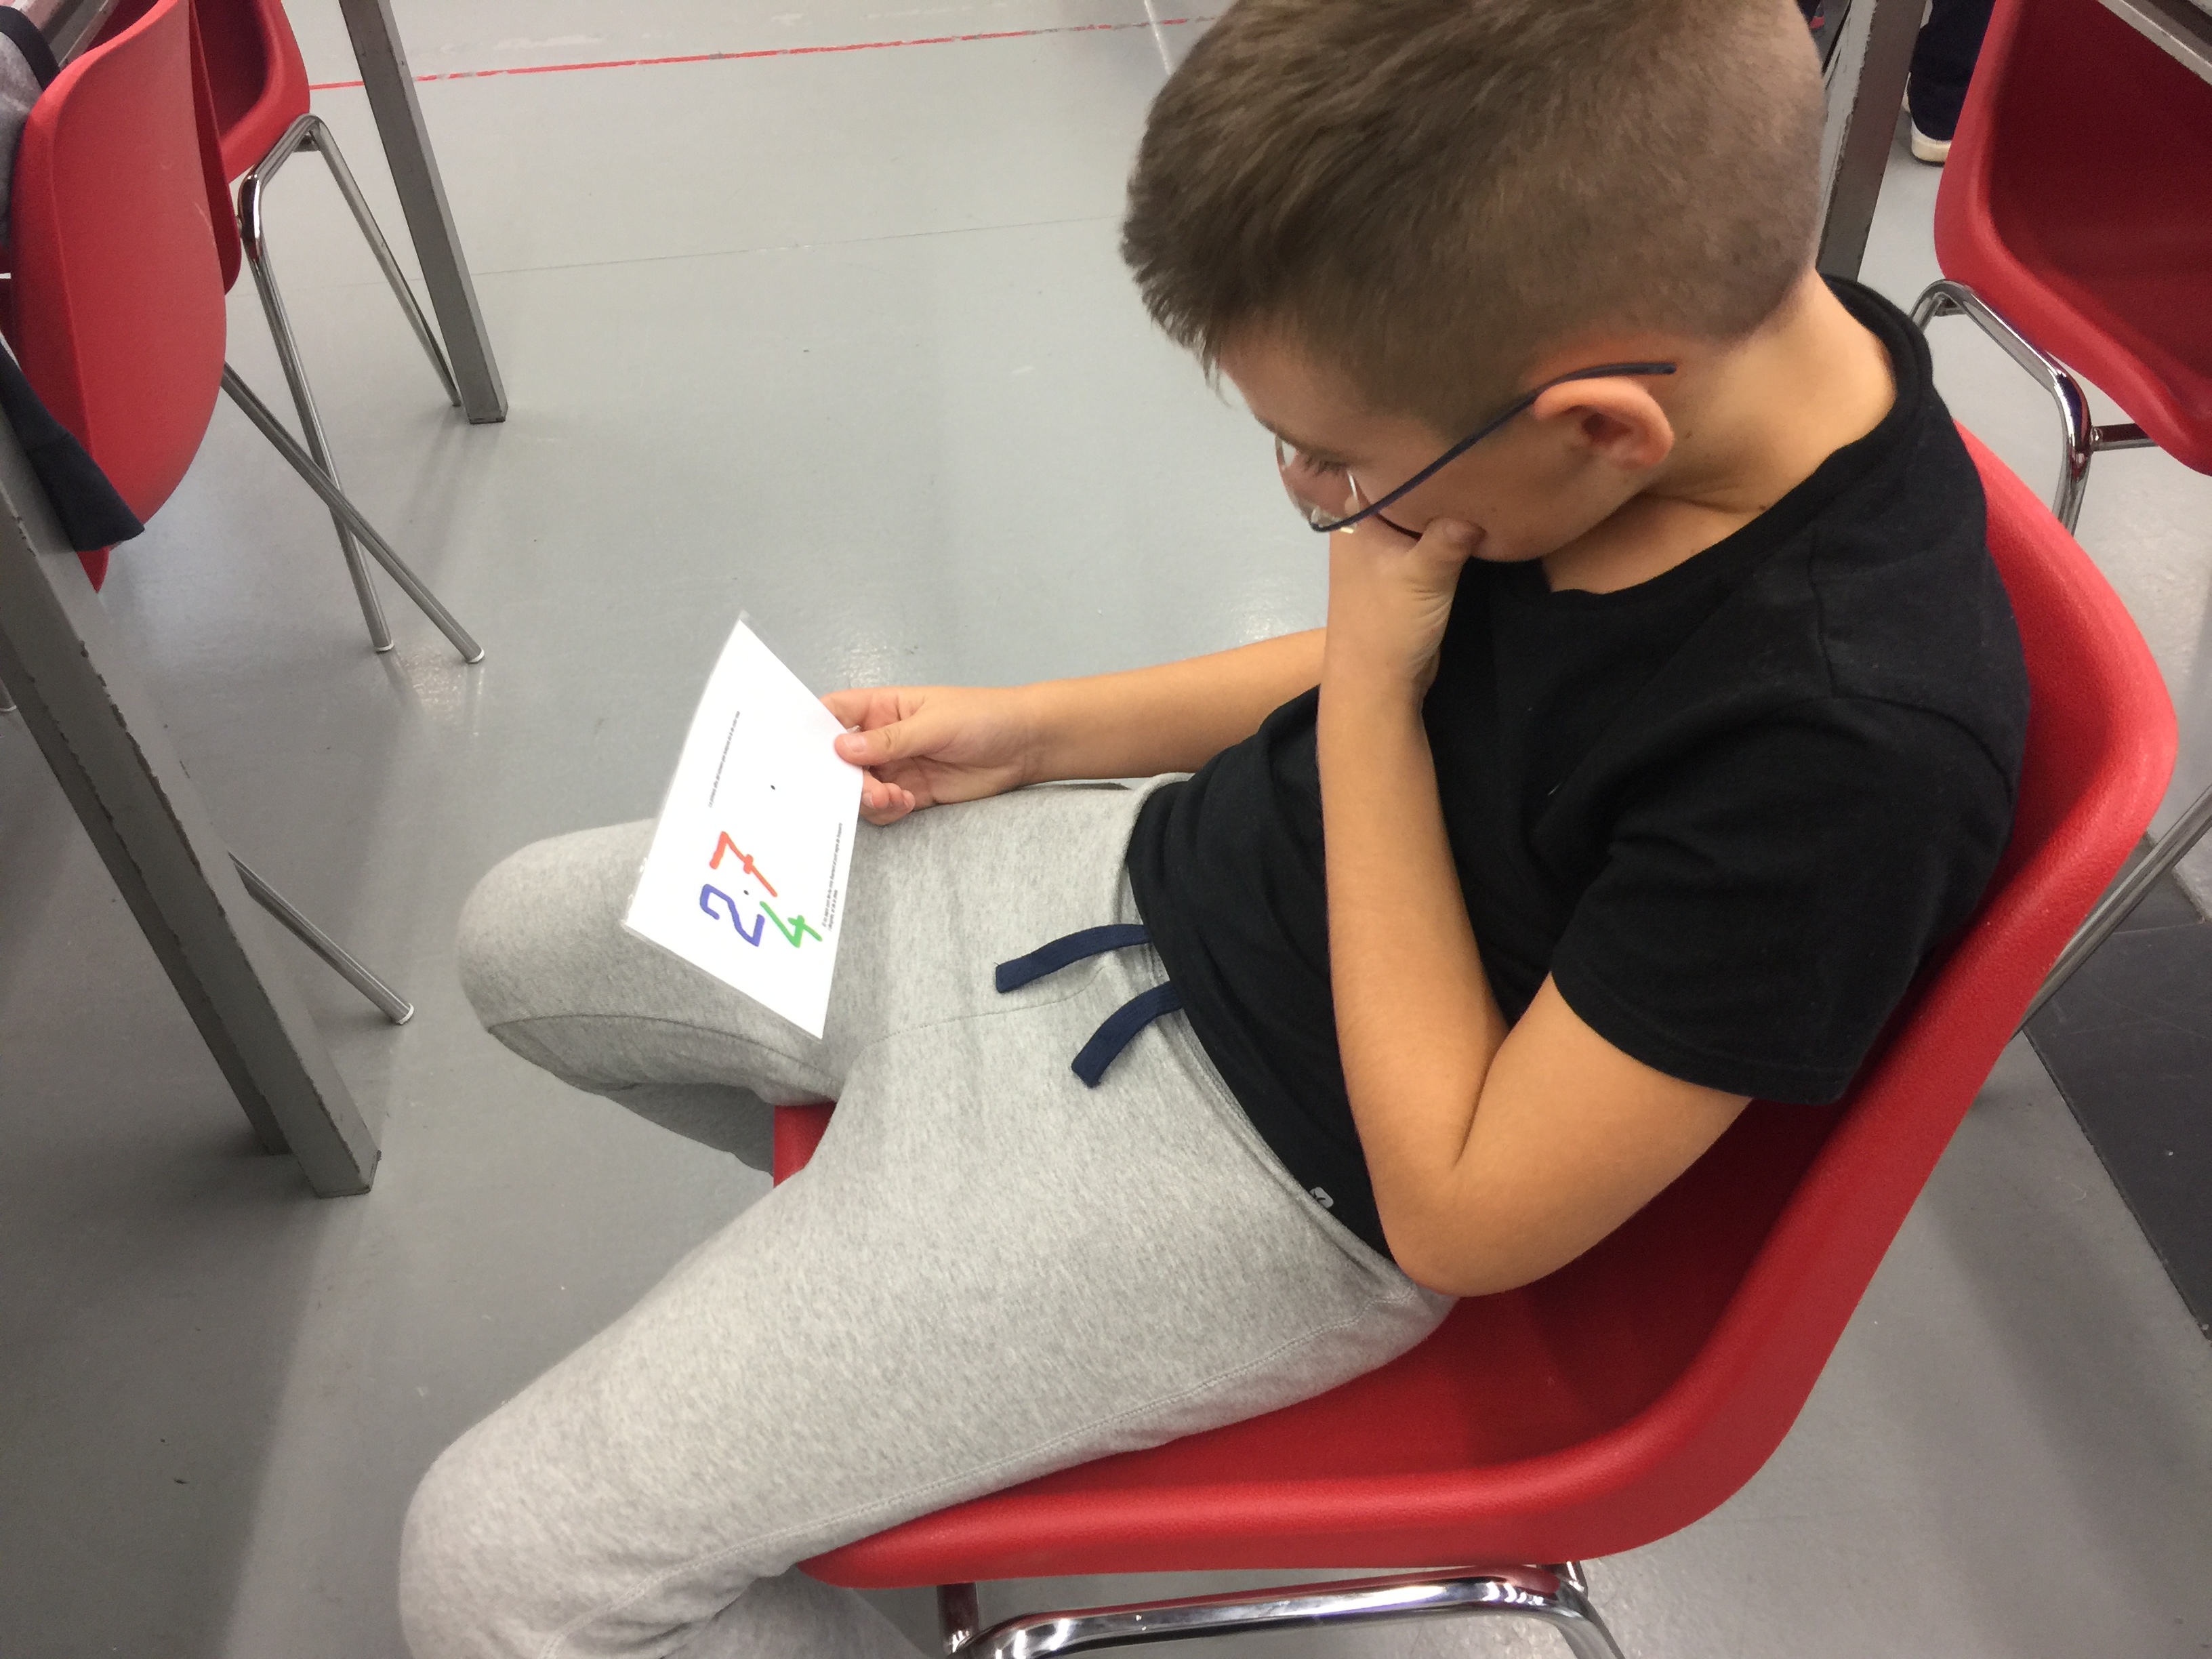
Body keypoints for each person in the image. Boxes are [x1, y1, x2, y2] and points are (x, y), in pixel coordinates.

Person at [398, 1, 2028, 1654]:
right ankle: (887, 1260)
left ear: (1602, 426)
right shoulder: (1723, 338)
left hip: (1277, 1170)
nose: (1309, 497)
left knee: (495, 1579)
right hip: (1137, 880)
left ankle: (917, 1287)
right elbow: (1441, 655)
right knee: (521, 938)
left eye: (1334, 459)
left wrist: (1370, 703)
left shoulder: (1848, 747)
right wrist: (1037, 731)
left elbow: (1463, 1211)